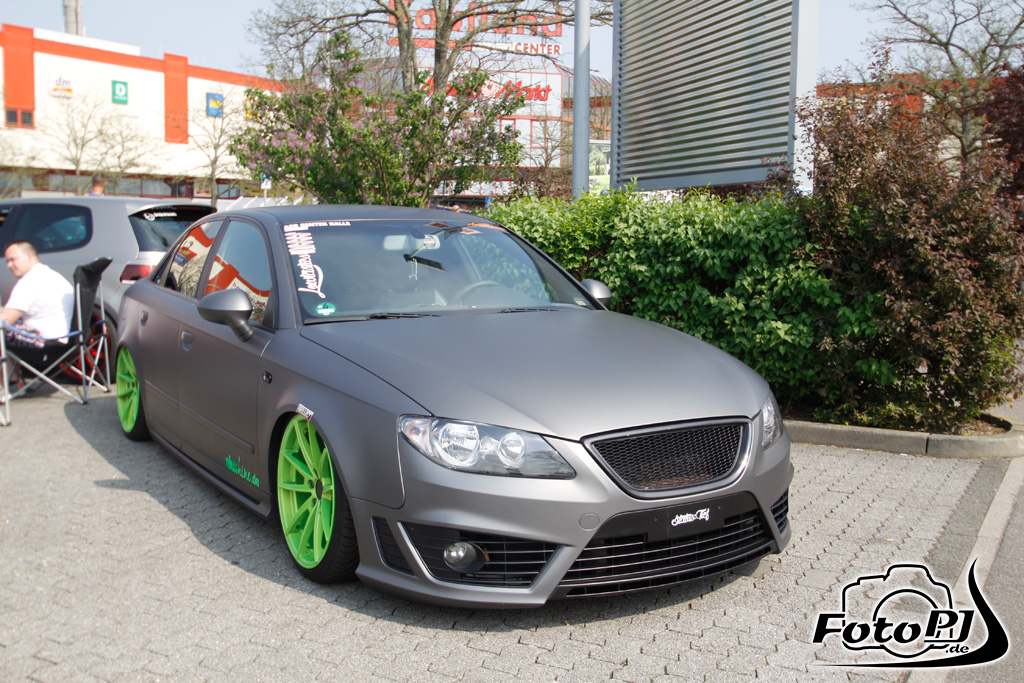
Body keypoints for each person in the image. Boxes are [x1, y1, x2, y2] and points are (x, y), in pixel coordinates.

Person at [2, 241, 75, 388]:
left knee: (3, 329)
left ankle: (9, 384)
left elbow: (6, 320)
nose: (9, 265)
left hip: (45, 345)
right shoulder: (51, 275)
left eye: (13, 259)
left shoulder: (28, 282)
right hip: (67, 342)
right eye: (7, 261)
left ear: (29, 256)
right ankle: (14, 381)